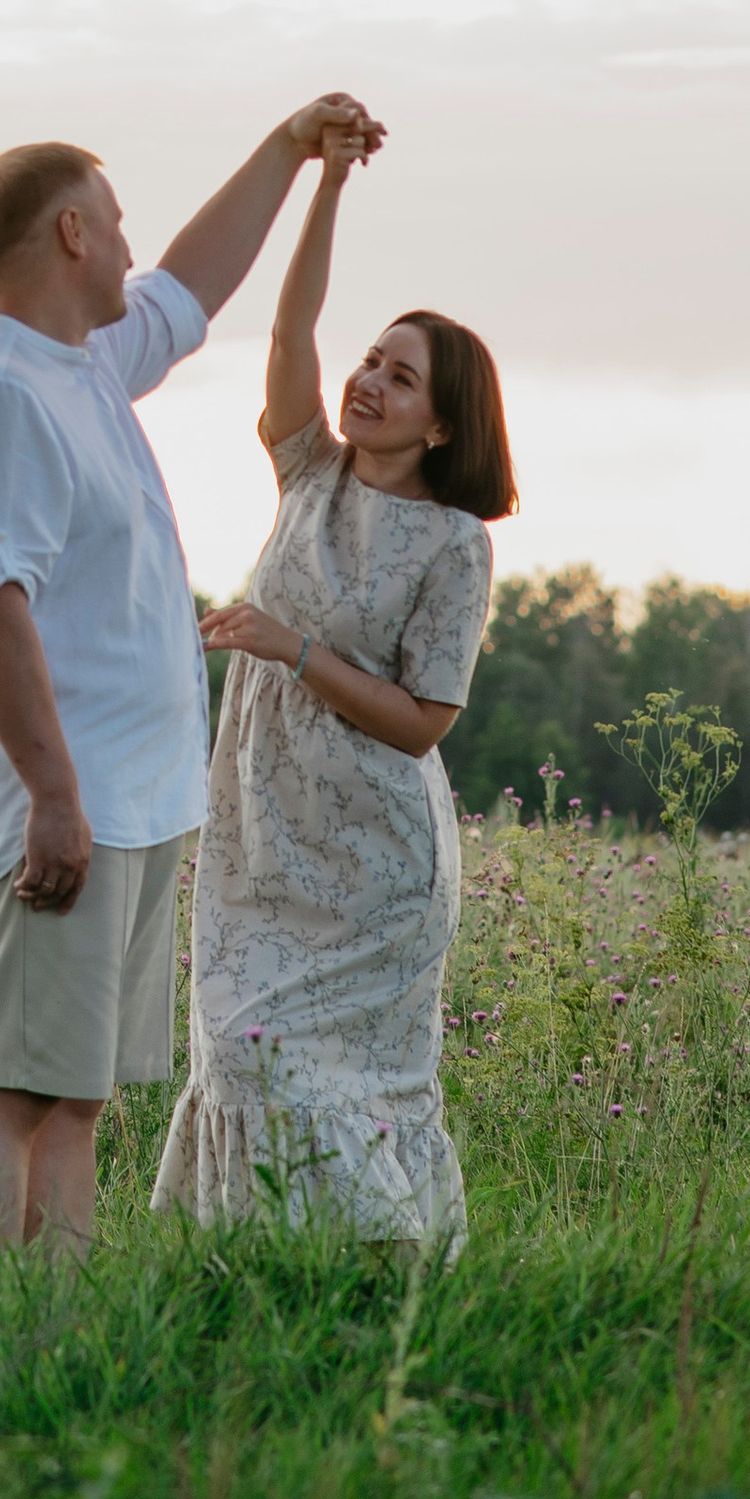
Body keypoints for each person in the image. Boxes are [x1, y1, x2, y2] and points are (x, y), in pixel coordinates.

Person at [0, 98, 384, 1254]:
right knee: (11, 1087)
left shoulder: (78, 362)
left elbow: (189, 285)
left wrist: (287, 151)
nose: (133, 246)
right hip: (63, 802)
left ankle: (54, 1333)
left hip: (125, 797)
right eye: (116, 224)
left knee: (69, 1096)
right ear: (71, 233)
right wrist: (53, 796)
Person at [152, 117, 514, 1248]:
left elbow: (424, 722)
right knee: (239, 1049)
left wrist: (291, 647)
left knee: (335, 1080)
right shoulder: (306, 470)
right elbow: (289, 323)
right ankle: (254, 1278)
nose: (365, 381)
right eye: (370, 360)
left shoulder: (454, 543)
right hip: (262, 836)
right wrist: (327, 176)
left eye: (398, 378)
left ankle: (384, 1273)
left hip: (374, 866)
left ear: (440, 420)